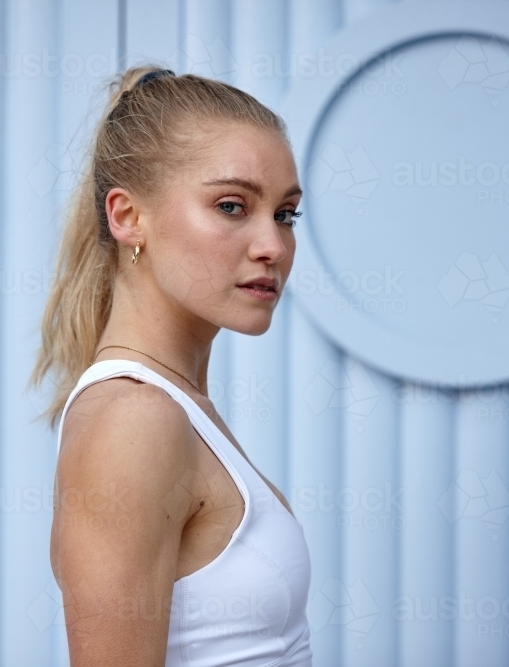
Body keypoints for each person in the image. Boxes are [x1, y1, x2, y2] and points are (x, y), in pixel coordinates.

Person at [29, 65, 312, 667]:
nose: (273, 246)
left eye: (286, 214)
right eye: (233, 206)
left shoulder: (176, 409)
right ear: (129, 217)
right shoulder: (134, 420)